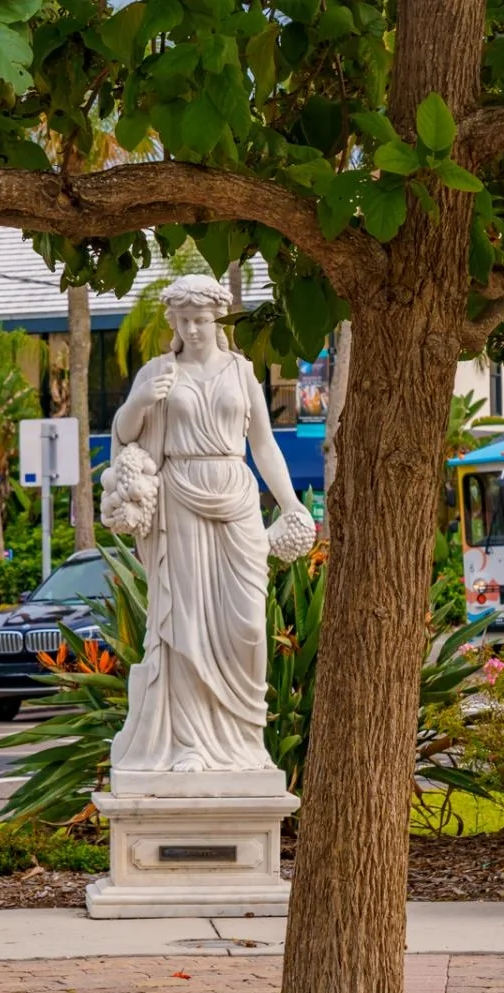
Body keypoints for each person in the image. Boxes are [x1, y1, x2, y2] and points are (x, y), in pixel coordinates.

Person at [106, 274, 307, 774]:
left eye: (202, 320)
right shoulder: (158, 371)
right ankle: (190, 745)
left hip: (236, 498)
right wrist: (140, 400)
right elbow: (126, 434)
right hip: (180, 500)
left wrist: (290, 505)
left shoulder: (241, 372)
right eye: (185, 320)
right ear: (173, 323)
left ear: (217, 320)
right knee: (188, 627)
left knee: (247, 625)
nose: (194, 329)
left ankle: (244, 741)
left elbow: (263, 444)